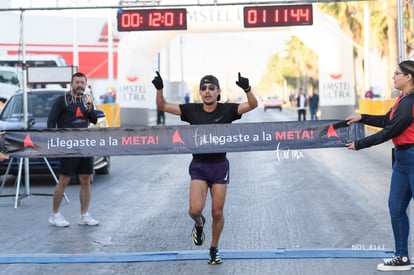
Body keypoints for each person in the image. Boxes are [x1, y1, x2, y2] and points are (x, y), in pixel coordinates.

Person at [152, 71, 258, 265]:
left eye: (211, 88)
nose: (207, 91)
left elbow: (252, 105)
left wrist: (247, 89)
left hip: (219, 166)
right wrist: (160, 89)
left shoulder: (227, 110)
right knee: (194, 210)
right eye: (203, 88)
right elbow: (162, 105)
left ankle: (214, 248)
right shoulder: (192, 110)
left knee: (217, 212)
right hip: (199, 166)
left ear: (218, 92)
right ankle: (199, 224)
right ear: (200, 93)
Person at [345, 60, 414, 271]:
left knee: (397, 208)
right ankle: (402, 257)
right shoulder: (402, 99)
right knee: (395, 208)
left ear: (408, 77)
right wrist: (362, 117)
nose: (393, 77)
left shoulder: (411, 102)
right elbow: (387, 121)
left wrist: (360, 144)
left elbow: (390, 131)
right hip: (402, 159)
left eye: (397, 74)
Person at [47, 72, 99, 228]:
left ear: (85, 84)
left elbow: (94, 120)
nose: (80, 85)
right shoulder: (62, 101)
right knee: (64, 180)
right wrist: (55, 141)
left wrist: (90, 108)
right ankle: (54, 214)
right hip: (67, 147)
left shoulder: (87, 101)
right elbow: (51, 121)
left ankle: (84, 215)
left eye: (82, 82)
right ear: (71, 84)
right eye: (77, 82)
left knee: (86, 180)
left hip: (84, 146)